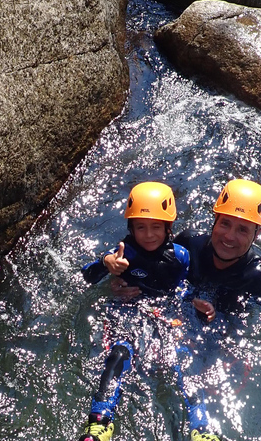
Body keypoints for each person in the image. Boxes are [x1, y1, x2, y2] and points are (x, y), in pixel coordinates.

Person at [110, 178, 261, 439]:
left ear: (256, 234)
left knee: (207, 386)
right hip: (177, 321)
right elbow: (149, 273)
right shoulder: (188, 245)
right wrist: (120, 284)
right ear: (214, 220)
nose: (229, 236)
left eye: (242, 229)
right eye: (225, 223)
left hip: (225, 334)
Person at [78, 182, 211, 441]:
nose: (148, 235)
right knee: (119, 353)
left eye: (156, 227)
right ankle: (100, 423)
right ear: (131, 228)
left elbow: (186, 287)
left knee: (183, 359)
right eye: (141, 227)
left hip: (165, 313)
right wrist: (107, 264)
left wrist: (192, 306)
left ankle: (201, 429)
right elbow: (88, 275)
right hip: (127, 310)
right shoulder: (122, 253)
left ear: (168, 228)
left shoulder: (180, 256)